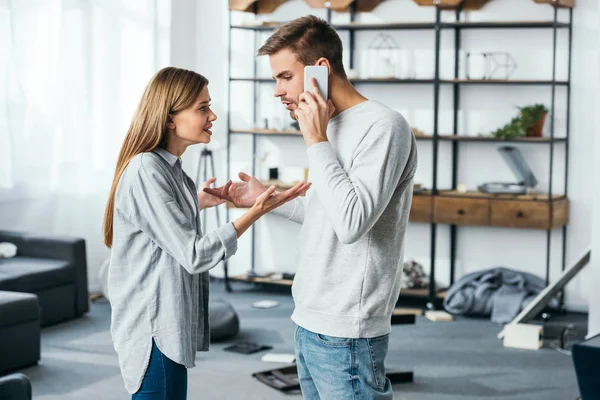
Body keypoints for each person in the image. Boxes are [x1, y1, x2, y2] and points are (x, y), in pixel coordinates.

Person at [205, 15, 418, 400]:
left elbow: (353, 223)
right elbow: (329, 213)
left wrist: (315, 139)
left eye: (285, 76)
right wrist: (265, 202)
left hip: (347, 328)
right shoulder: (331, 126)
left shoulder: (383, 127)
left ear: (320, 69)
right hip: (309, 318)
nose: (276, 90)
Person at [102, 66, 310, 400]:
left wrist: (197, 201)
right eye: (202, 108)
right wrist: (255, 213)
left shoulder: (172, 171)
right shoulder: (145, 170)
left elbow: (158, 226)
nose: (212, 116)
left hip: (167, 323)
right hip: (152, 328)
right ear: (170, 117)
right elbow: (194, 254)